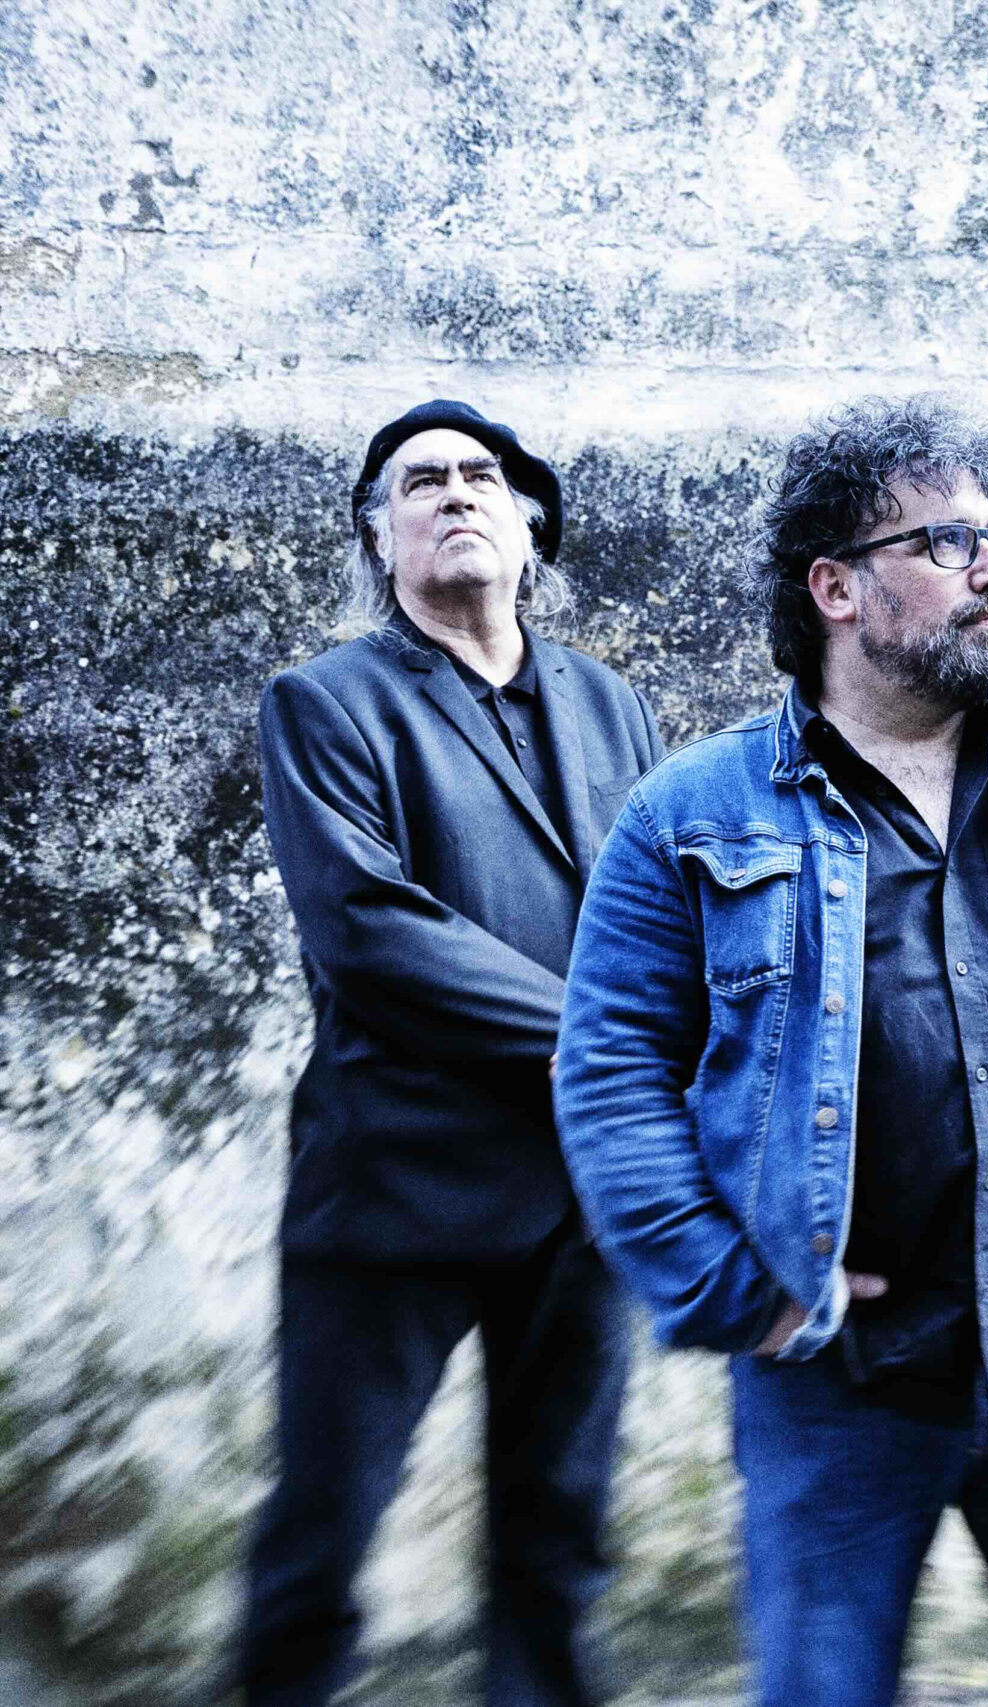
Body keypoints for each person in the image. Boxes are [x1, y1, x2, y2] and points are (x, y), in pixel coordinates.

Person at [552, 396, 988, 1707]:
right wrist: (742, 1294)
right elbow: (611, 1073)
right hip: (835, 1379)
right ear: (836, 587)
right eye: (947, 542)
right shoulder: (691, 814)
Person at [245, 399, 662, 1705]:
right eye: (417, 483)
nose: (454, 493)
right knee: (322, 1538)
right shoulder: (325, 701)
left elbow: (666, 910)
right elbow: (371, 932)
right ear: (381, 540)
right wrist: (611, 1045)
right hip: (394, 1193)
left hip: (580, 1200)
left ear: (530, 531)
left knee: (559, 1543)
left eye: (480, 475)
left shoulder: (609, 703)